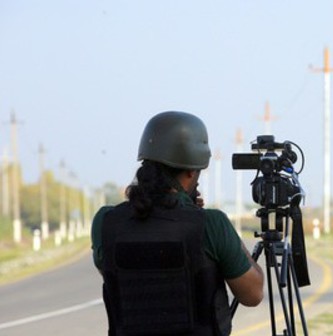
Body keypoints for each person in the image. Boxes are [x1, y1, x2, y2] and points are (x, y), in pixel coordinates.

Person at [91, 111, 264, 335]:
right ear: (192, 172)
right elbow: (253, 294)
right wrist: (220, 230)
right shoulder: (210, 224)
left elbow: (117, 275)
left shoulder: (106, 221)